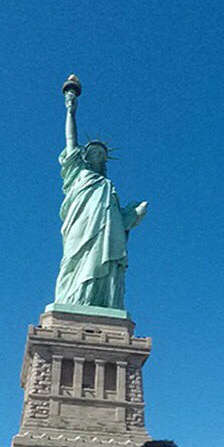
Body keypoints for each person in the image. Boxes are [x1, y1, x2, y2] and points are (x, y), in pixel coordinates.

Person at [53, 76, 147, 310]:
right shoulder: (77, 174)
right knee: (74, 262)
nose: (98, 157)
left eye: (102, 156)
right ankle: (73, 301)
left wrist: (132, 216)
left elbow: (121, 223)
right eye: (94, 153)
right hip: (81, 227)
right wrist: (70, 112)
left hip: (106, 231)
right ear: (85, 157)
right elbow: (71, 141)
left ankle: (102, 303)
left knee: (105, 260)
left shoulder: (108, 188)